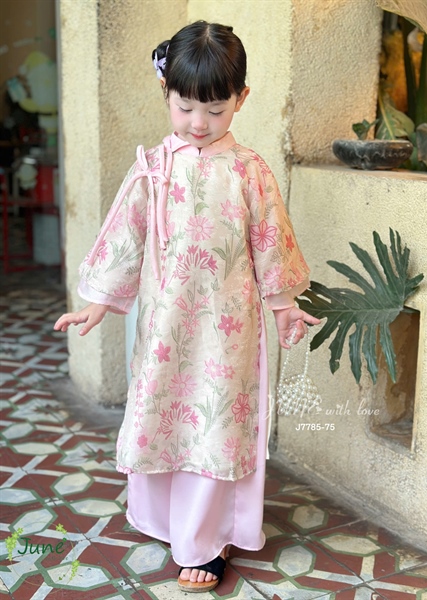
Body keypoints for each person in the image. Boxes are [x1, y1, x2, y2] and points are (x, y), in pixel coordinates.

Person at [54, 20, 320, 593]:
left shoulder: (249, 171)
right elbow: (125, 236)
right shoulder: (153, 167)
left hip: (228, 332)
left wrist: (283, 308)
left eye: (215, 110)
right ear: (166, 93)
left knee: (214, 423)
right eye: (185, 107)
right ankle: (163, 519)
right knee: (165, 414)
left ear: (240, 99)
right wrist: (97, 303)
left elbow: (269, 244)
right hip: (164, 327)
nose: (199, 123)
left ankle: (205, 539)